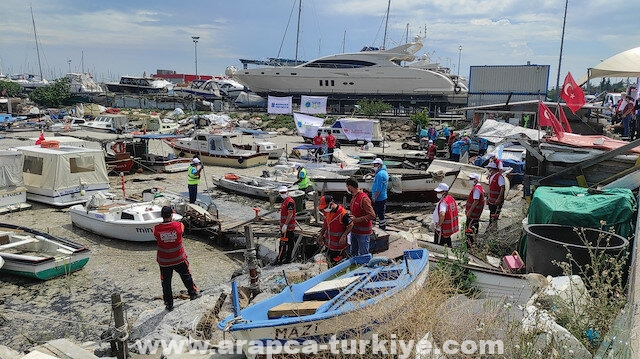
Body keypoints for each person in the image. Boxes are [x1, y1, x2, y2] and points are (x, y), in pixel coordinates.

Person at [153, 206, 198, 311]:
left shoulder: (156, 229)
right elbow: (182, 232)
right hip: (179, 258)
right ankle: (192, 293)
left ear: (162, 216)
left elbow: (156, 237)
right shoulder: (179, 225)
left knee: (166, 283)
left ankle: (169, 304)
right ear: (171, 215)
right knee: (186, 276)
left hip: (164, 261)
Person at [317, 195, 353, 265]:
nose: (324, 209)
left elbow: (351, 225)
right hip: (329, 245)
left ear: (331, 204)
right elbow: (325, 224)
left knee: (338, 265)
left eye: (325, 207)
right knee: (329, 263)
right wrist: (321, 235)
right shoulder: (326, 212)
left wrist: (344, 236)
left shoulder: (342, 213)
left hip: (339, 247)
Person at [346, 177, 376, 256]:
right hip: (354, 231)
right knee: (353, 253)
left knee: (364, 254)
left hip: (363, 232)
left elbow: (372, 215)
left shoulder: (363, 199)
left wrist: (357, 219)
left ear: (350, 187)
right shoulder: (354, 196)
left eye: (347, 187)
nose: (347, 189)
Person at [432, 183, 459, 247]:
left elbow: (442, 214)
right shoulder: (450, 198)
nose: (437, 193)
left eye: (439, 192)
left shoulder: (443, 202)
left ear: (444, 192)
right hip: (448, 228)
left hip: (442, 228)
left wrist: (439, 224)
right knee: (447, 241)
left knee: (439, 245)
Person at [275, 186, 296, 264]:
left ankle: (279, 259)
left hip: (287, 228)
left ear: (287, 192)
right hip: (287, 227)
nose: (282, 194)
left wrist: (285, 225)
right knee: (290, 243)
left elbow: (290, 214)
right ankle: (287, 258)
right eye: (281, 193)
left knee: (283, 244)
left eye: (284, 192)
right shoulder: (285, 201)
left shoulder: (289, 202)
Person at [465, 173, 485, 247]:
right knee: (473, 230)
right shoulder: (479, 188)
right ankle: (472, 244)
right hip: (475, 215)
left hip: (472, 215)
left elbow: (476, 201)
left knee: (469, 231)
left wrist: (469, 211)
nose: (469, 181)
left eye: (471, 179)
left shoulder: (476, 189)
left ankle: (470, 247)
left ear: (476, 180)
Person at [486, 162, 506, 232]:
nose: (488, 170)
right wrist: (488, 198)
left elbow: (502, 188)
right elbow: (490, 188)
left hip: (496, 201)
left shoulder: (499, 177)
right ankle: (491, 228)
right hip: (491, 200)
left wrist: (499, 199)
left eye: (489, 168)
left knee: (495, 216)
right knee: (491, 215)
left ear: (493, 169)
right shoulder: (491, 177)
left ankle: (493, 229)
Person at [370, 158, 388, 230]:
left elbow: (378, 188)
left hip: (378, 198)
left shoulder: (379, 175)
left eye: (375, 164)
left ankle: (372, 228)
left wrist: (374, 197)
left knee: (374, 214)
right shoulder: (384, 172)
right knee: (381, 214)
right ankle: (382, 228)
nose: (374, 166)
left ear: (379, 165)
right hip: (383, 197)